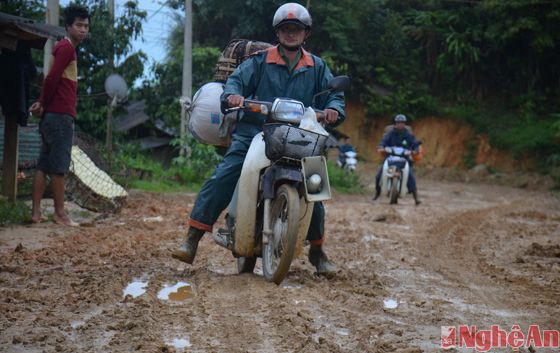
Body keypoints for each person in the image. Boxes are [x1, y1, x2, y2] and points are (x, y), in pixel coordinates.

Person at [172, 3, 345, 276]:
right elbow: (235, 83)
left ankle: (318, 251)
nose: (291, 34)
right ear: (278, 32)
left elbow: (333, 94)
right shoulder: (260, 61)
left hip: (300, 135)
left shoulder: (317, 66)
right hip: (255, 131)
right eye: (286, 29)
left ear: (306, 33)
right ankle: (192, 238)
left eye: (296, 29)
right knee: (225, 174)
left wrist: (335, 108)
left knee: (316, 185)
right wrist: (234, 95)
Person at [29, 3, 89, 226]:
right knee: (59, 167)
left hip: (51, 116)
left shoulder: (62, 48)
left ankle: (36, 214)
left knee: (43, 165)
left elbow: (52, 77)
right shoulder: (67, 49)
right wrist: (42, 101)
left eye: (86, 26)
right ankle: (60, 214)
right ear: (68, 27)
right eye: (79, 25)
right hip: (60, 116)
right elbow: (52, 77)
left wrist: (42, 104)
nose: (83, 30)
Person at [372, 114, 421, 205]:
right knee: (378, 175)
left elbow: (415, 143)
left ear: (404, 124)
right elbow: (383, 142)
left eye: (402, 123)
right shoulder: (390, 134)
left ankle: (416, 197)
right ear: (395, 123)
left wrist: (415, 150)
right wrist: (381, 147)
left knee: (411, 176)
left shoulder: (408, 134)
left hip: (404, 159)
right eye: (398, 123)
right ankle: (377, 193)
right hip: (390, 157)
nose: (400, 124)